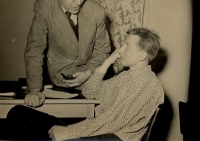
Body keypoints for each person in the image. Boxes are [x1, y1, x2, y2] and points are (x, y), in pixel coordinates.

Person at [7, 27, 164, 140]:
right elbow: (90, 92)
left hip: (112, 137)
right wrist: (107, 62)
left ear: (142, 55)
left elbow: (112, 121)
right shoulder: (126, 76)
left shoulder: (147, 83)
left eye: (127, 45)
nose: (120, 50)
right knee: (18, 112)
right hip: (98, 129)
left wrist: (69, 131)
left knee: (36, 133)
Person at [24, 0, 111, 107]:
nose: (78, 2)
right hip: (58, 80)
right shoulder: (45, 7)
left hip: (91, 78)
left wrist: (88, 72)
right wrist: (34, 89)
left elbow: (102, 50)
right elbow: (35, 49)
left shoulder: (97, 11)